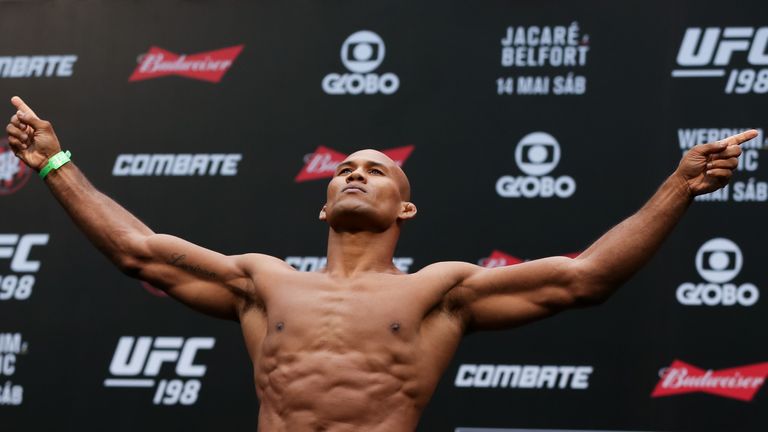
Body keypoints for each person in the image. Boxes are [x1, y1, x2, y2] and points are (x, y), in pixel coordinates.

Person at [6, 96, 755, 431]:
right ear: (323, 205)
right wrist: (53, 163)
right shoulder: (262, 282)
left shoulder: (443, 290)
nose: (356, 172)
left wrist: (682, 184)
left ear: (406, 209)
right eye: (343, 170)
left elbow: (582, 277)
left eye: (378, 169)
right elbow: (139, 251)